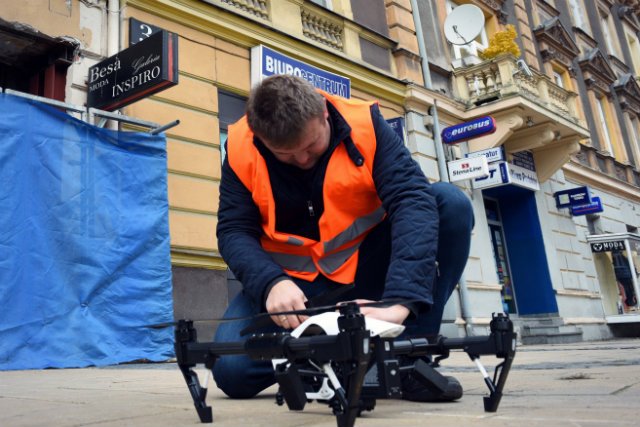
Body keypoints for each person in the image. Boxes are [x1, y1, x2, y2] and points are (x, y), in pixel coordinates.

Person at [213, 74, 474, 402]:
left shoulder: (365, 125)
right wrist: (269, 283)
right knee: (231, 372)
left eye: (310, 146)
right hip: (294, 290)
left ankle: (408, 358)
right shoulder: (240, 147)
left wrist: (400, 300)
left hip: (367, 273)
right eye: (287, 154)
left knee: (448, 203)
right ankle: (331, 358)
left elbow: (412, 200)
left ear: (323, 111)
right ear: (261, 139)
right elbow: (233, 230)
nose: (303, 160)